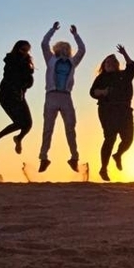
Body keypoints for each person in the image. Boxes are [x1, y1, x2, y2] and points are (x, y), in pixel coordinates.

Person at [39, 22, 86, 173]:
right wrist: (52, 30)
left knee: (70, 128)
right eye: (62, 47)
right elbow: (44, 43)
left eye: (67, 48)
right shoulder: (51, 59)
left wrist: (76, 35)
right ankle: (43, 157)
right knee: (48, 128)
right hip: (51, 95)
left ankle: (74, 157)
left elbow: (82, 50)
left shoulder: (72, 62)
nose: (64, 50)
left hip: (66, 97)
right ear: (57, 48)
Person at [89, 44, 134, 182]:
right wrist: (103, 92)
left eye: (112, 62)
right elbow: (92, 92)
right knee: (110, 139)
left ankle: (118, 154)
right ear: (104, 65)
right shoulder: (101, 78)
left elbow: (132, 67)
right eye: (107, 62)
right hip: (107, 110)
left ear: (117, 64)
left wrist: (124, 53)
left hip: (124, 110)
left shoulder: (124, 75)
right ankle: (104, 168)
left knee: (128, 138)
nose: (110, 64)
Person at [0, 40, 35, 156]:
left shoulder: (26, 64)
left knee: (28, 124)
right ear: (17, 49)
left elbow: (28, 81)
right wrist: (19, 86)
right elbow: (10, 79)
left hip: (19, 96)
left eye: (27, 50)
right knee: (19, 122)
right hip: (7, 96)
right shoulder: (11, 61)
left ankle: (18, 138)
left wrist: (26, 84)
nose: (25, 53)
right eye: (23, 50)